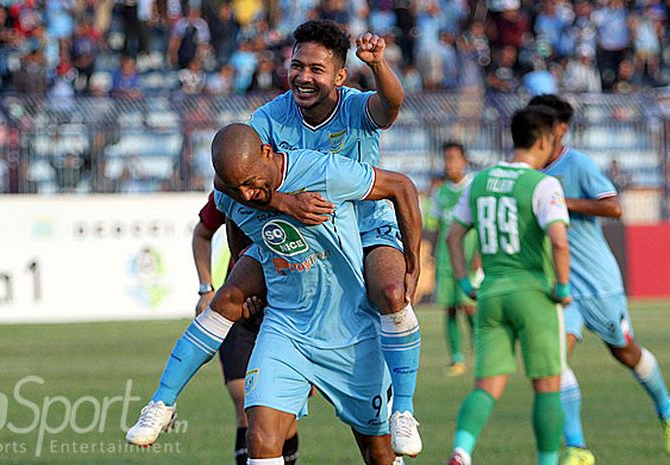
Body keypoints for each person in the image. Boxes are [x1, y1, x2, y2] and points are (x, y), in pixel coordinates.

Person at [128, 124, 422, 465]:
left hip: (351, 332)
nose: (249, 194)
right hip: (287, 329)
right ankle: (162, 402)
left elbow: (400, 186)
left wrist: (412, 265)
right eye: (238, 188)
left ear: (268, 152)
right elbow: (235, 219)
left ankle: (403, 410)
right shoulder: (230, 192)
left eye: (253, 183)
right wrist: (274, 213)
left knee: (379, 454)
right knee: (262, 438)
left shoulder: (322, 171)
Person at [246, 20, 422, 455]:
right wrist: (284, 205)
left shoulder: (356, 107)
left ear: (340, 77)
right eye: (297, 66)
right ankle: (164, 399)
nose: (304, 77)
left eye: (316, 70)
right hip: (308, 237)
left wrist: (379, 65)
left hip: (365, 228)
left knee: (391, 290)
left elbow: (392, 105)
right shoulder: (268, 119)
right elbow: (237, 178)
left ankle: (403, 409)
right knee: (234, 293)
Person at [530, 94, 670, 465]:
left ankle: (667, 409)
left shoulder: (578, 164)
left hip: (598, 283)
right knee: (555, 358)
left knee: (625, 351)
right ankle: (577, 448)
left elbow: (613, 206)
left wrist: (561, 202)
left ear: (560, 129)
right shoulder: (528, 169)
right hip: (562, 286)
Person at [445, 106, 571, 465]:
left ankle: (462, 451)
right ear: (544, 140)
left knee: (487, 385)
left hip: (491, 295)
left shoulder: (480, 181)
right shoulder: (543, 184)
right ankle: (547, 461)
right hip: (533, 293)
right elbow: (559, 242)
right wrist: (562, 287)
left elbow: (454, 237)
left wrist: (464, 281)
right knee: (547, 385)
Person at [193, 192, 300, 465]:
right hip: (238, 313)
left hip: (286, 314)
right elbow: (202, 233)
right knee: (247, 405)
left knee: (284, 419)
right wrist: (206, 289)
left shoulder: (298, 186)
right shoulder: (232, 187)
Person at [431, 142, 478, 377]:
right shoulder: (440, 193)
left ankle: (480, 352)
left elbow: (480, 226)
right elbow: (439, 227)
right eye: (446, 159)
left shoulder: (473, 189)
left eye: (453, 159)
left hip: (469, 259)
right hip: (446, 259)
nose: (449, 164)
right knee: (449, 309)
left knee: (470, 308)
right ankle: (457, 358)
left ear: (464, 161)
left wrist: (479, 257)